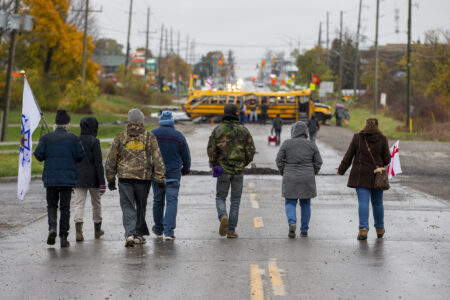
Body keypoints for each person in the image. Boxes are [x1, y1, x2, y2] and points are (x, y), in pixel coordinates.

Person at [105, 108, 166, 247]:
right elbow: (157, 159)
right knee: (141, 206)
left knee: (127, 206)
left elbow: (111, 160)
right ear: (142, 121)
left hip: (124, 178)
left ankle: (130, 234)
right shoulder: (149, 137)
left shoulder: (120, 137)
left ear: (129, 121)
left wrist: (110, 178)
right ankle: (138, 234)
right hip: (143, 179)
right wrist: (160, 179)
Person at [34, 110, 84, 248]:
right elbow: (80, 155)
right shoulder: (74, 138)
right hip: (67, 180)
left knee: (51, 205)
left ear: (55, 124)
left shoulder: (46, 138)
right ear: (67, 124)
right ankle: (63, 237)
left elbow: (38, 156)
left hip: (51, 179)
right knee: (65, 207)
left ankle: (52, 229)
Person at [337, 118, 391, 240]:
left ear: (365, 125)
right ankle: (380, 229)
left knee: (363, 202)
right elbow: (387, 160)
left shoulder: (358, 137)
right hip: (377, 176)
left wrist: (341, 170)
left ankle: (363, 230)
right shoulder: (383, 139)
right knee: (377, 203)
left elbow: (349, 156)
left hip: (360, 176)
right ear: (378, 126)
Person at [207, 104, 255, 238]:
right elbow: (250, 151)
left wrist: (214, 165)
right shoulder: (244, 131)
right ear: (236, 114)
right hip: (238, 170)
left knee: (220, 197)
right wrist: (243, 163)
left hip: (222, 169)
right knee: (235, 200)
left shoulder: (218, 130)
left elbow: (211, 150)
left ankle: (223, 216)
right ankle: (231, 231)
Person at [276, 121, 322, 238]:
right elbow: (318, 162)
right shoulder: (311, 144)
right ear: (305, 132)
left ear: (293, 131)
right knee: (306, 204)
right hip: (307, 178)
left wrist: (284, 172)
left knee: (290, 202)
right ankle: (304, 230)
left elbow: (279, 160)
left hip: (290, 176)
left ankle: (292, 223)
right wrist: (312, 172)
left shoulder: (287, 144)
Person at [151, 111, 191, 241]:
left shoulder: (153, 134)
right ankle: (169, 232)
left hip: (157, 174)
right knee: (171, 202)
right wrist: (186, 169)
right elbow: (186, 154)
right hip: (173, 174)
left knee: (158, 201)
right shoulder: (178, 136)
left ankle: (158, 229)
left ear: (160, 121)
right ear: (172, 122)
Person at [73, 117, 106, 242]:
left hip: (78, 178)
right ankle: (97, 230)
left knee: (79, 204)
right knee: (96, 204)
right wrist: (102, 182)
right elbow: (98, 163)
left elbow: (73, 161)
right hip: (94, 179)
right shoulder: (95, 141)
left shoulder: (76, 140)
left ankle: (78, 231)